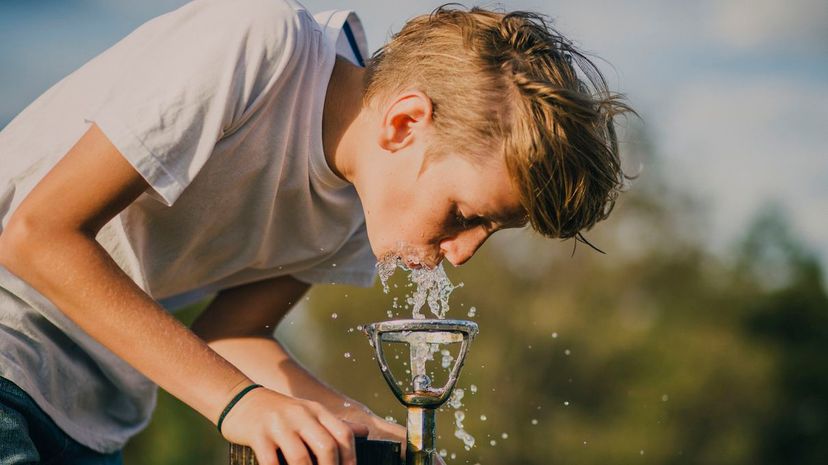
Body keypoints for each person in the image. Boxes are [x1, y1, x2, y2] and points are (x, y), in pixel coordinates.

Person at [0, 0, 634, 464]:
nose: (463, 253)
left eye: (490, 231)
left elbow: (231, 335)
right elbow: (35, 234)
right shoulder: (256, 43)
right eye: (465, 215)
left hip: (92, 420)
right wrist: (240, 403)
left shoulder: (364, 206)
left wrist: (355, 425)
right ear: (405, 123)